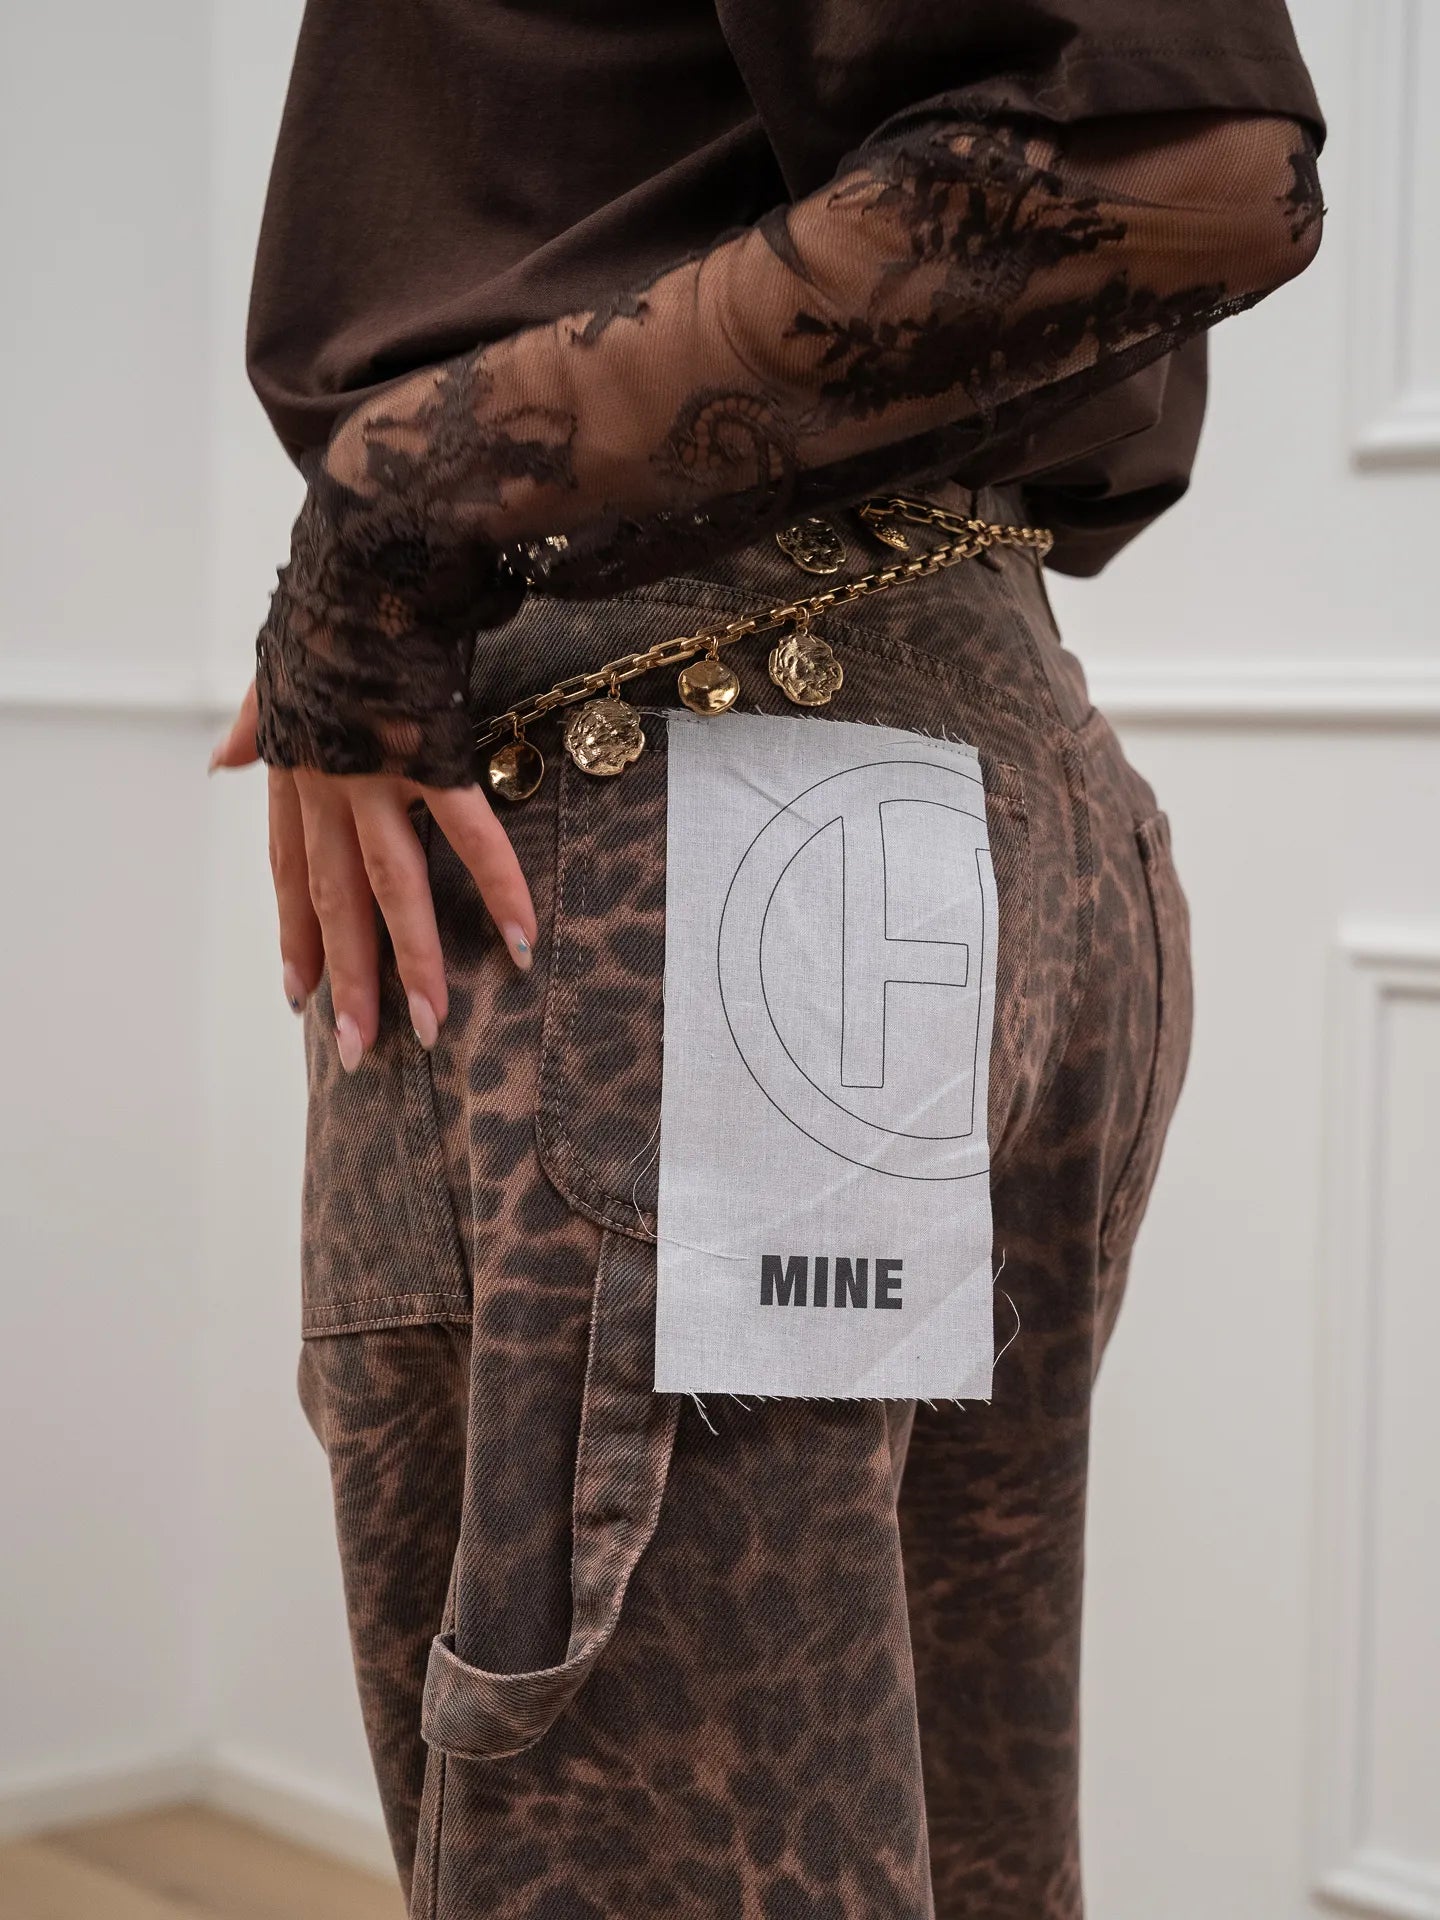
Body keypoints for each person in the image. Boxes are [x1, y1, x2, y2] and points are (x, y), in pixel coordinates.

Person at [211, 3, 1325, 1914]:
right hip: (970, 754)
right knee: (951, 1832)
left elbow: (1178, 165)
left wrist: (401, 506)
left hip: (666, 807)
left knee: (655, 1859)